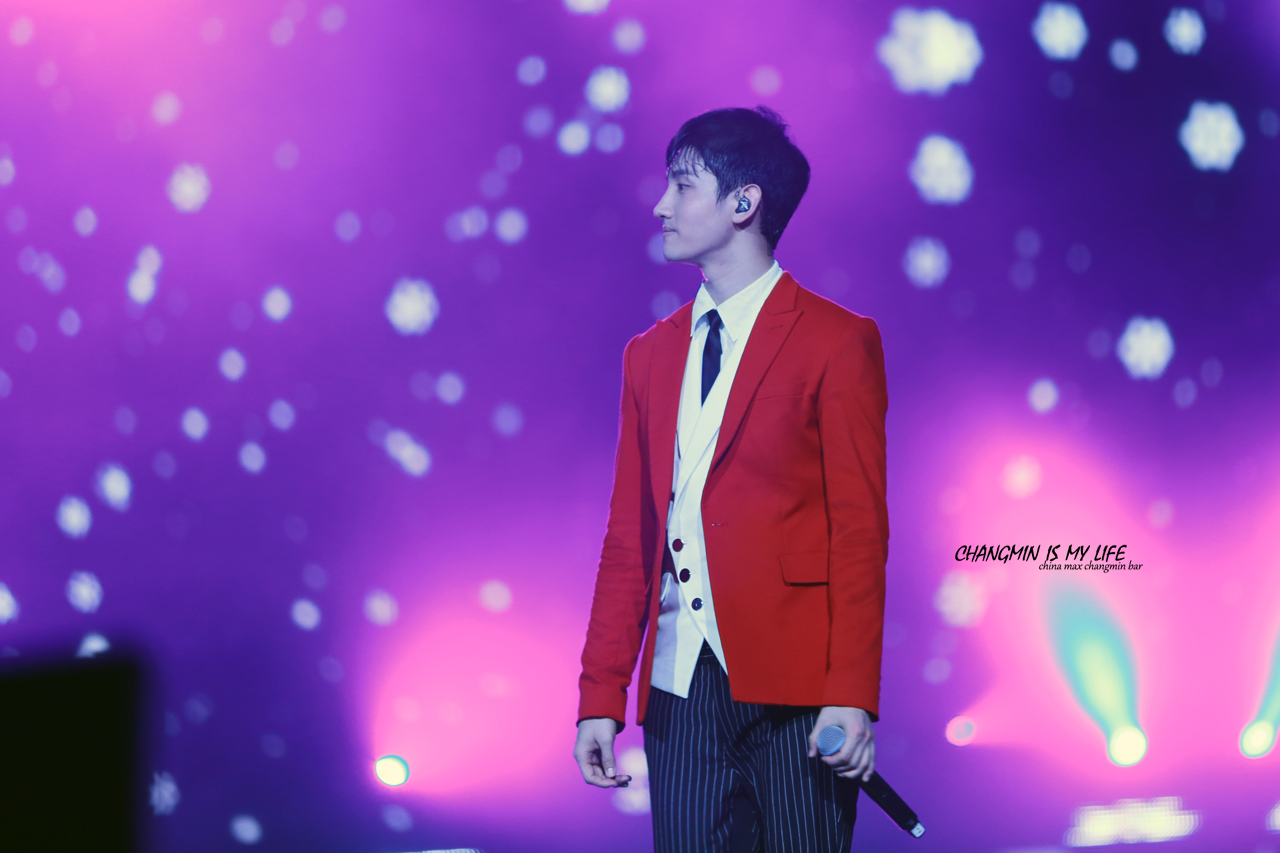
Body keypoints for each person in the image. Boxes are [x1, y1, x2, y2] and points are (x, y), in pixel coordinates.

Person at [573, 106, 889, 852]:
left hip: (797, 692)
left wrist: (851, 694)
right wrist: (600, 694)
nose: (661, 206)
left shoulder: (836, 340)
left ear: (743, 203)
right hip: (679, 690)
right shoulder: (649, 355)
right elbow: (630, 538)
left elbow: (859, 533)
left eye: (683, 186)